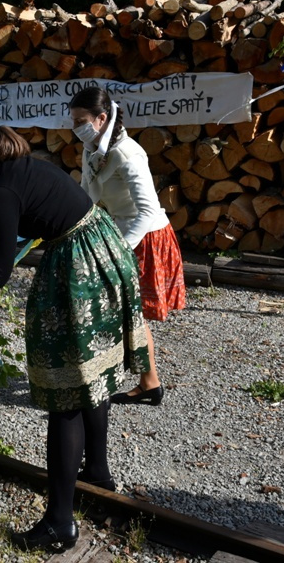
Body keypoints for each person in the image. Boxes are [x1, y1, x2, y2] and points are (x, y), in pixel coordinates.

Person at [0, 111, 150, 551]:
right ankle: (97, 473)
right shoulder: (14, 167)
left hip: (80, 265)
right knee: (91, 377)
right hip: (103, 251)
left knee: (66, 393)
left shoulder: (1, 188)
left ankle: (59, 524)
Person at [68, 86, 186, 406]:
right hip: (119, 230)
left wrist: (119, 248)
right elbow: (87, 195)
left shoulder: (128, 153)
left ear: (101, 118)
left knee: (131, 313)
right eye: (73, 120)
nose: (75, 127)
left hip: (144, 236)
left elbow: (147, 211)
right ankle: (144, 380)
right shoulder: (92, 148)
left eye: (80, 121)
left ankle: (146, 382)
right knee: (122, 312)